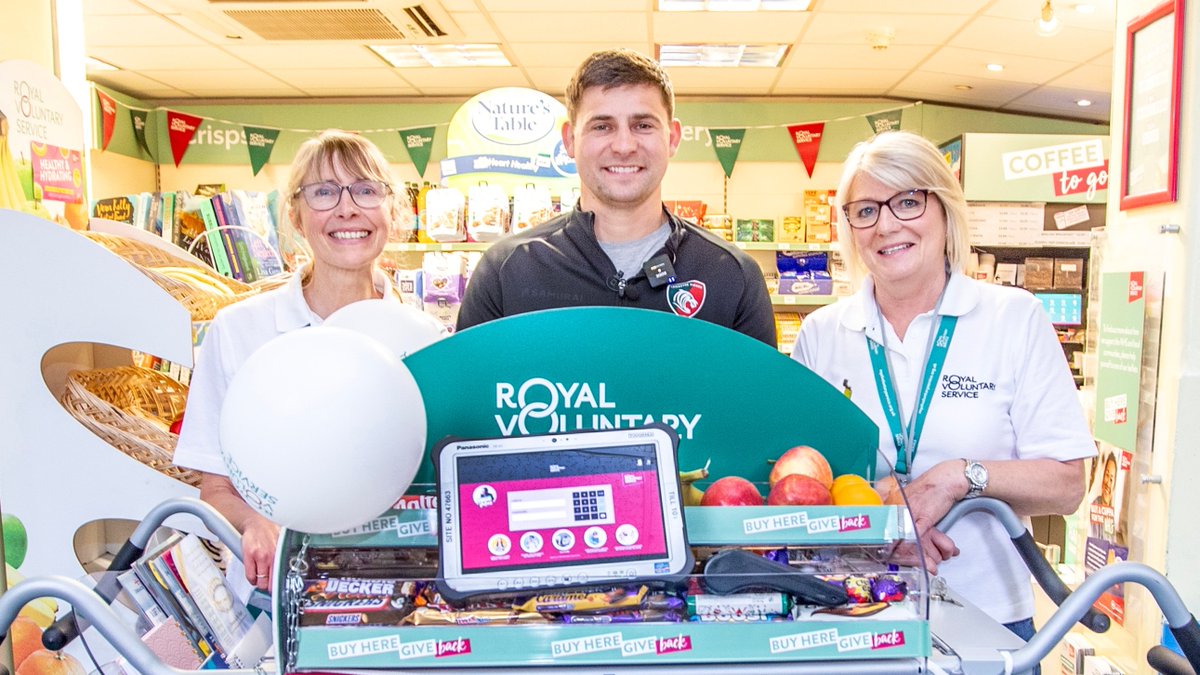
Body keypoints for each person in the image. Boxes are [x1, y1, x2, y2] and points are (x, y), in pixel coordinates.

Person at [792, 131, 1094, 648]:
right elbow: (800, 482)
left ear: (944, 207)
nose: (887, 225)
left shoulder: (1013, 319)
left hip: (992, 616)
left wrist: (959, 478)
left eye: (908, 202)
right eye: (865, 211)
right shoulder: (821, 334)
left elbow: (1066, 485)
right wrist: (886, 515)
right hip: (855, 614)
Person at [174, 129, 440, 590]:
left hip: (396, 585)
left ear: (393, 212)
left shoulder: (428, 339)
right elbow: (215, 487)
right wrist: (254, 521)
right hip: (277, 592)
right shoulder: (239, 331)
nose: (347, 208)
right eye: (323, 192)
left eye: (366, 190)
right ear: (296, 216)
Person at [456, 49, 775, 346]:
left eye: (643, 125)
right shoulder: (506, 270)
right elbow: (467, 400)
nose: (624, 145)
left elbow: (762, 403)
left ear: (672, 138)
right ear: (570, 140)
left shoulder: (732, 276)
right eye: (602, 127)